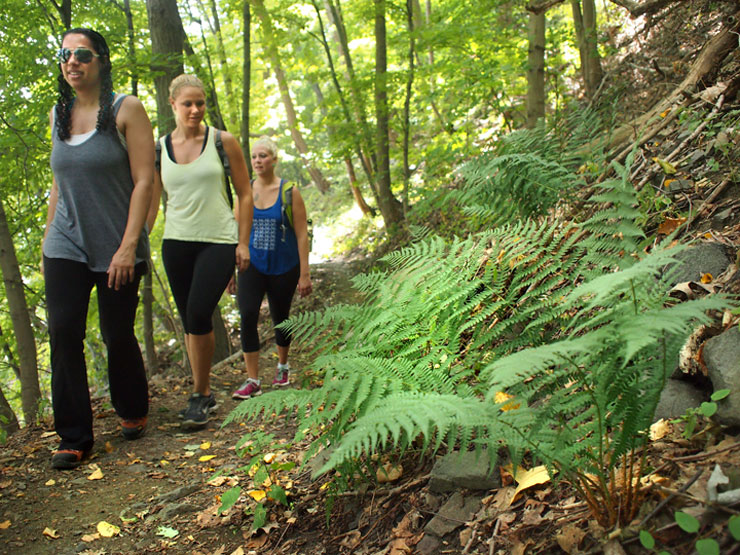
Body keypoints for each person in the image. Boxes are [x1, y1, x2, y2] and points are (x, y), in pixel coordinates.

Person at [44, 28, 154, 469]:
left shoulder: (126, 109)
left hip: (116, 242)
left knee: (116, 333)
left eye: (83, 55)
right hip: (65, 242)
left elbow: (145, 179)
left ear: (102, 61)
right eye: (66, 54)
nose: (73, 61)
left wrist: (129, 246)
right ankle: (74, 436)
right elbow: (58, 184)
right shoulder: (59, 113)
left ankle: (131, 407)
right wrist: (47, 236)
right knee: (63, 331)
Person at [147, 74, 252, 430]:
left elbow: (245, 192)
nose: (195, 110)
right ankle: (201, 393)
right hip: (176, 243)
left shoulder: (223, 142)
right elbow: (150, 197)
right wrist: (137, 239)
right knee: (191, 322)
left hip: (218, 239)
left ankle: (201, 392)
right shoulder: (159, 148)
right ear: (172, 105)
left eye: (200, 103)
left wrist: (243, 241)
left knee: (197, 312)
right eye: (187, 103)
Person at [232, 136, 312, 400]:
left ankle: (282, 365)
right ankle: (252, 379)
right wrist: (227, 272)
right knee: (247, 315)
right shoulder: (245, 192)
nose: (258, 161)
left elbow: (301, 233)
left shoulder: (289, 192)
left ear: (274, 160)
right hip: (251, 265)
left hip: (284, 266)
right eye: (254, 156)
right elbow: (235, 234)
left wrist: (304, 273)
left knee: (281, 317)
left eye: (263, 156)